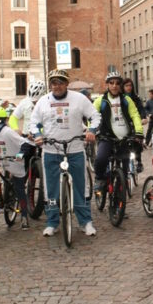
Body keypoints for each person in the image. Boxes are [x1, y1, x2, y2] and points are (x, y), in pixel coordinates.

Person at [30, 69, 101, 237]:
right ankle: (52, 222)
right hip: (50, 150)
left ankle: (85, 222)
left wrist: (91, 130)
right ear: (51, 85)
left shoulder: (79, 99)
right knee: (51, 188)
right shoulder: (43, 101)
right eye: (54, 83)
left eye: (61, 82)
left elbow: (95, 116)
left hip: (75, 148)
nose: (57, 86)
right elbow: (34, 122)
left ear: (66, 84)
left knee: (80, 186)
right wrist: (38, 135)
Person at [93, 72, 144, 194]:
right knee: (100, 159)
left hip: (125, 138)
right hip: (106, 137)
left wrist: (138, 132)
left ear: (120, 85)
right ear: (107, 85)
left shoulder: (127, 100)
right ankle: (100, 179)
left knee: (124, 172)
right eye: (111, 83)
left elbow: (135, 115)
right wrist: (92, 130)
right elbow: (92, 116)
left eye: (117, 83)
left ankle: (119, 203)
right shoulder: (101, 101)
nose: (114, 86)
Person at [122, 78, 145, 173]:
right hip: (123, 123)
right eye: (126, 85)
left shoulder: (135, 97)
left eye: (130, 85)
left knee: (137, 141)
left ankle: (139, 162)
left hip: (135, 123)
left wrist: (143, 117)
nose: (129, 88)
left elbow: (141, 109)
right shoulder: (120, 98)